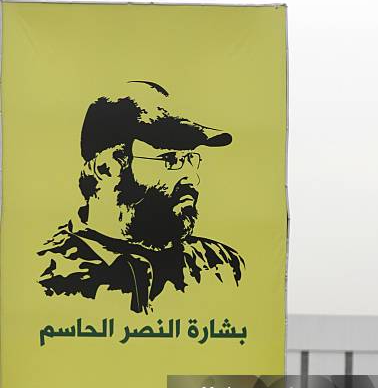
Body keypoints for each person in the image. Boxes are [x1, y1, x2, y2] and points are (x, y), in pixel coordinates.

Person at [37, 80, 244, 313]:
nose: (192, 179)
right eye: (171, 160)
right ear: (107, 167)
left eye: (191, 159)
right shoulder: (45, 277)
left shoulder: (221, 266)